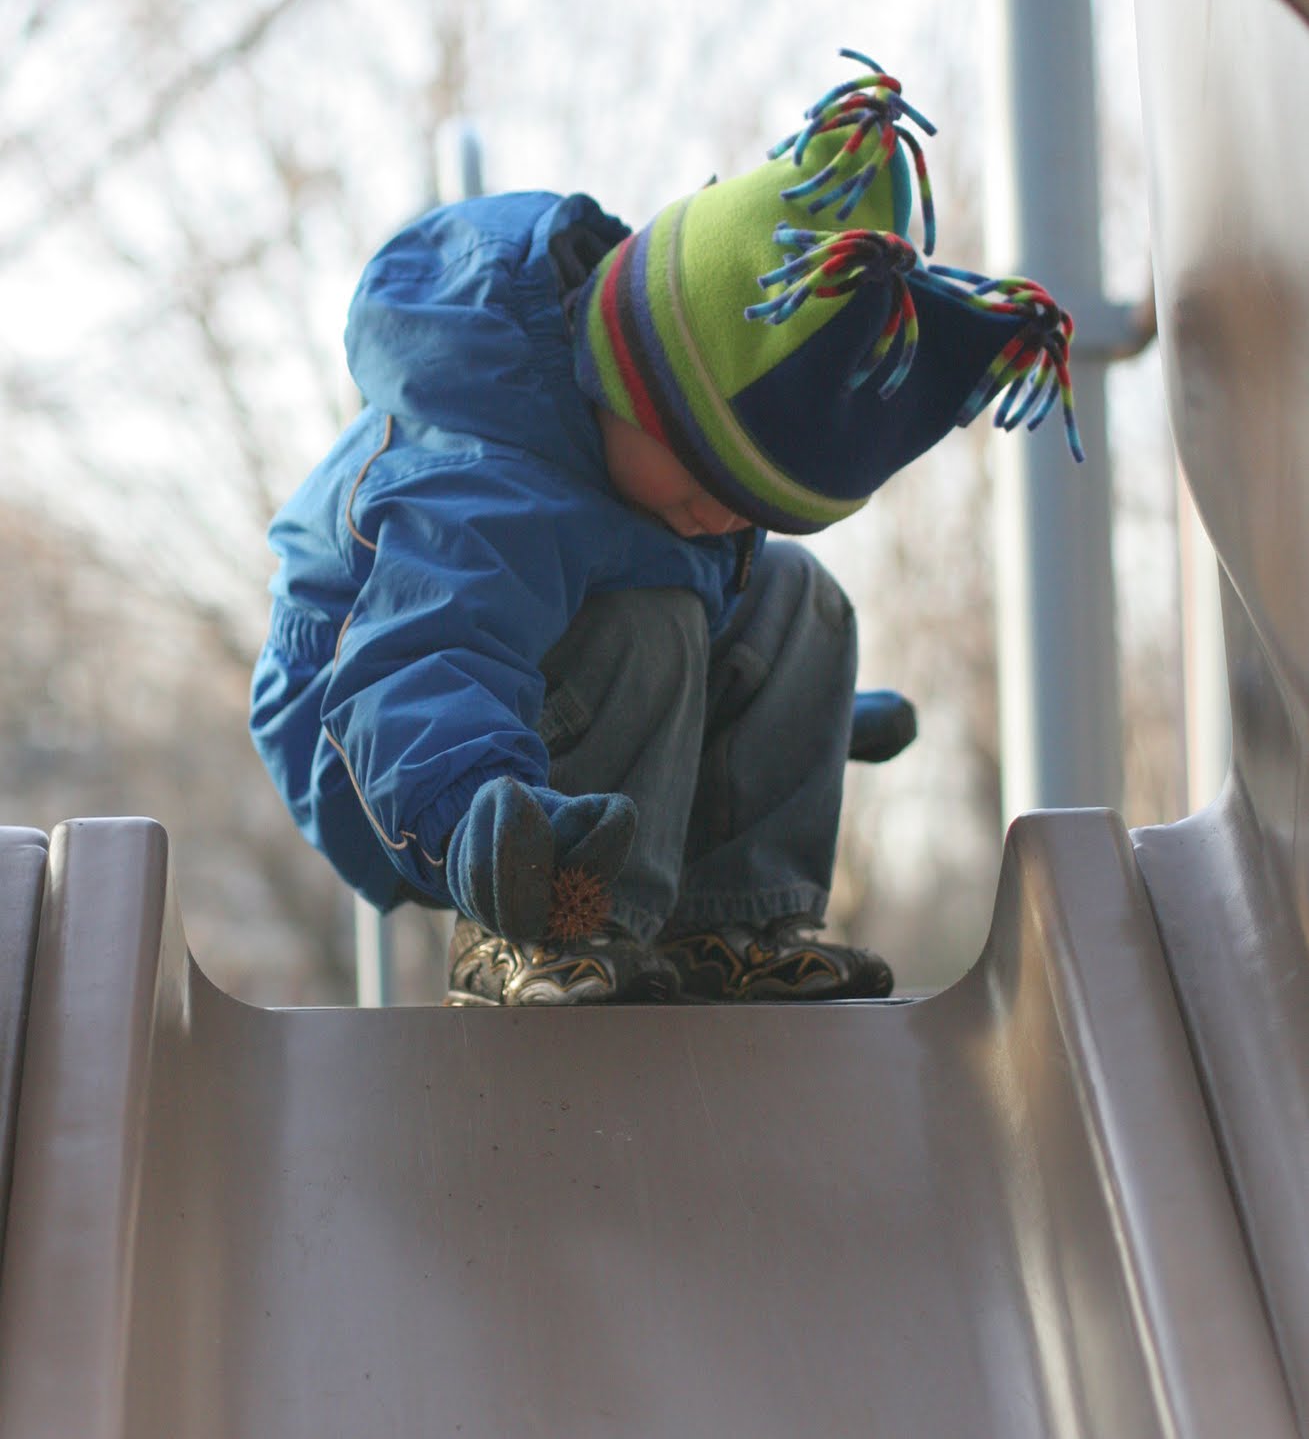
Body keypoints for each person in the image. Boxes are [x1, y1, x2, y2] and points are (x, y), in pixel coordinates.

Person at [250, 49, 1081, 1006]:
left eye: (750, 504)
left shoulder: (651, 495)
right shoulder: (486, 480)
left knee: (797, 595)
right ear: (631, 382)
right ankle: (541, 932)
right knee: (648, 616)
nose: (723, 516)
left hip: (519, 674)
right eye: (707, 479)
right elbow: (419, 662)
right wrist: (475, 814)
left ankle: (733, 920)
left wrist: (798, 713)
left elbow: (716, 613)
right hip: (383, 734)